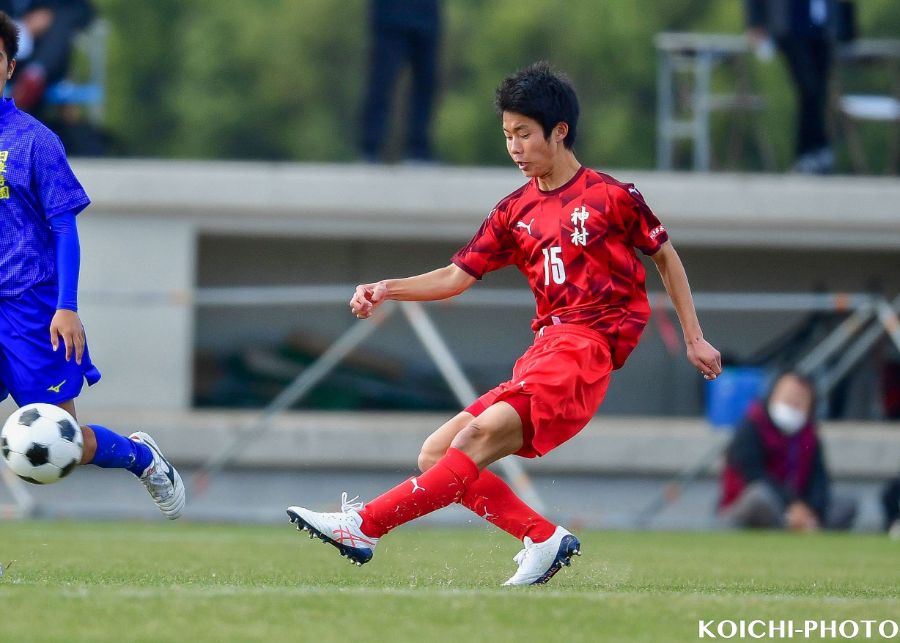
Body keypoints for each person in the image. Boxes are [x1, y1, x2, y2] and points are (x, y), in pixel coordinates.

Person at [287, 62, 722, 586]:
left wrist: (694, 338)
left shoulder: (611, 197)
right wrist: (387, 288)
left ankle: (365, 525)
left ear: (559, 131)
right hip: (545, 348)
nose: (514, 147)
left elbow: (665, 257)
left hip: (585, 348)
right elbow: (455, 275)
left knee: (474, 438)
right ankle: (541, 537)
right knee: (436, 454)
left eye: (523, 134)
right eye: (507, 136)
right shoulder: (513, 211)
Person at [0, 13, 184, 518]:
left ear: (9, 67)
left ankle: (141, 457)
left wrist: (67, 307)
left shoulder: (35, 141)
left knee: (59, 442)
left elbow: (65, 229)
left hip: (32, 309)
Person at [718, 371, 856, 531]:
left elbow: (819, 477)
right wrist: (792, 504)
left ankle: (803, 523)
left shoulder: (809, 434)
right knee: (759, 497)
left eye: (799, 401)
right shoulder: (752, 425)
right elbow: (754, 475)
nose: (792, 404)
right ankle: (792, 525)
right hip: (765, 502)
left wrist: (810, 508)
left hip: (801, 504)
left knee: (846, 504)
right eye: (788, 397)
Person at [745, 0, 838, 174]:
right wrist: (756, 23)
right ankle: (808, 150)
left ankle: (817, 149)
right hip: (790, 27)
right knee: (808, 88)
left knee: (820, 91)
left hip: (820, 29)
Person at [359, 0, 440, 163]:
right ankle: (371, 148)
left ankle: (419, 149)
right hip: (389, 18)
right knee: (381, 82)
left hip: (427, 16)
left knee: (426, 83)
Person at [1, 0, 95, 113]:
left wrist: (50, 15)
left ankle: (34, 76)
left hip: (44, 62)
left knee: (63, 18)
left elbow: (81, 10)